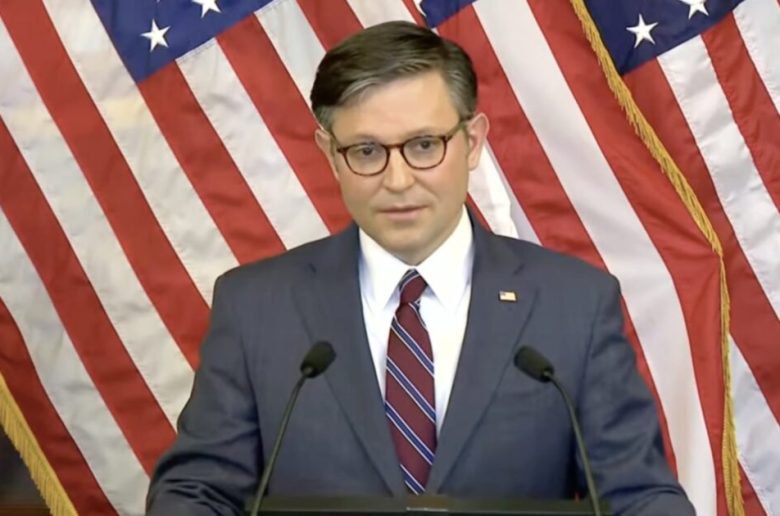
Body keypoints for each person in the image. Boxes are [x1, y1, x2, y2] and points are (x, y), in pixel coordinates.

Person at [146, 21, 695, 515]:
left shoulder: (572, 305)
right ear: (331, 155)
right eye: (366, 152)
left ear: (472, 142)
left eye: (424, 145)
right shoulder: (257, 307)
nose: (398, 180)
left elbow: (638, 495)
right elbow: (197, 491)